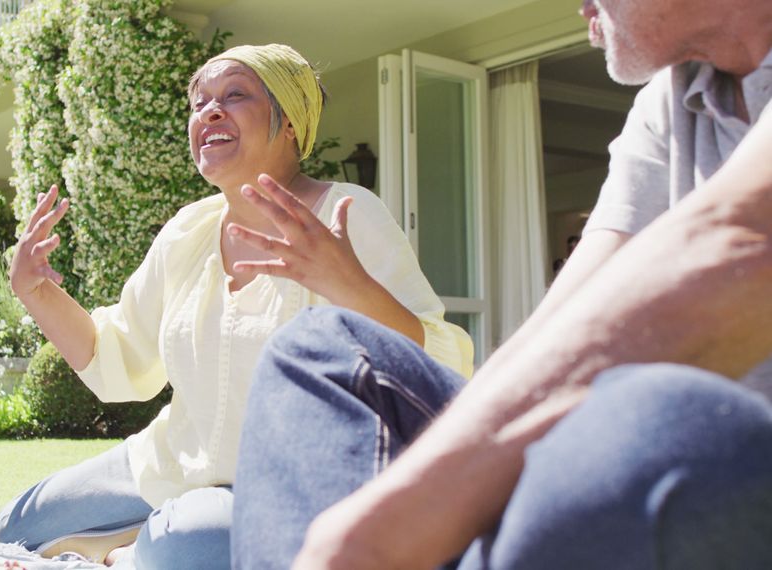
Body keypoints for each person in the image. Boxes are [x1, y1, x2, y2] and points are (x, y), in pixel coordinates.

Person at [232, 0, 772, 568]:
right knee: (319, 349)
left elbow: (735, 247)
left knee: (658, 412)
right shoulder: (671, 100)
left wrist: (387, 522)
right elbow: (563, 323)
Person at [0, 44, 474, 568]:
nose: (210, 112)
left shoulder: (345, 215)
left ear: (289, 122)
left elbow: (444, 365)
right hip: (172, 463)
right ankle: (138, 540)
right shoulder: (188, 231)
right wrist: (37, 294)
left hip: (286, 489)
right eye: (199, 104)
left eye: (234, 95)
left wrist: (349, 284)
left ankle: (134, 549)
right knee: (15, 525)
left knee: (187, 542)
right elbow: (118, 359)